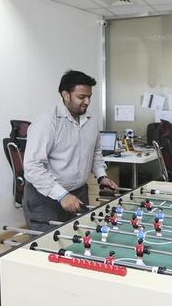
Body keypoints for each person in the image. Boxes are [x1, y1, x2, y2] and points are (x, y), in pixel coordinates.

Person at [22, 70, 117, 232]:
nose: (87, 101)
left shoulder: (91, 120)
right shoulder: (47, 122)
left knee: (78, 243)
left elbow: (95, 151)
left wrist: (102, 176)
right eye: (81, 97)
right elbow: (32, 166)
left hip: (78, 193)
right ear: (66, 95)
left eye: (89, 96)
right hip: (46, 197)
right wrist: (61, 195)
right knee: (46, 252)